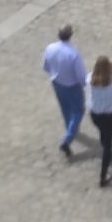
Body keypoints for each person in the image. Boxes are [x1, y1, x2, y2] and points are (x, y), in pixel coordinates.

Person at [43, 24, 86, 158]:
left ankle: (71, 128)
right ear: (71, 36)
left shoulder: (50, 48)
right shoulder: (73, 54)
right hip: (72, 86)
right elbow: (80, 75)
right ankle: (67, 139)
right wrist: (84, 84)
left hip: (57, 83)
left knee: (65, 108)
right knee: (78, 110)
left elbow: (45, 65)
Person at [88, 55, 112, 186]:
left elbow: (92, 74)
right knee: (108, 142)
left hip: (95, 114)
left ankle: (105, 145)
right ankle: (103, 176)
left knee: (103, 134)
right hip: (109, 115)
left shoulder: (90, 79)